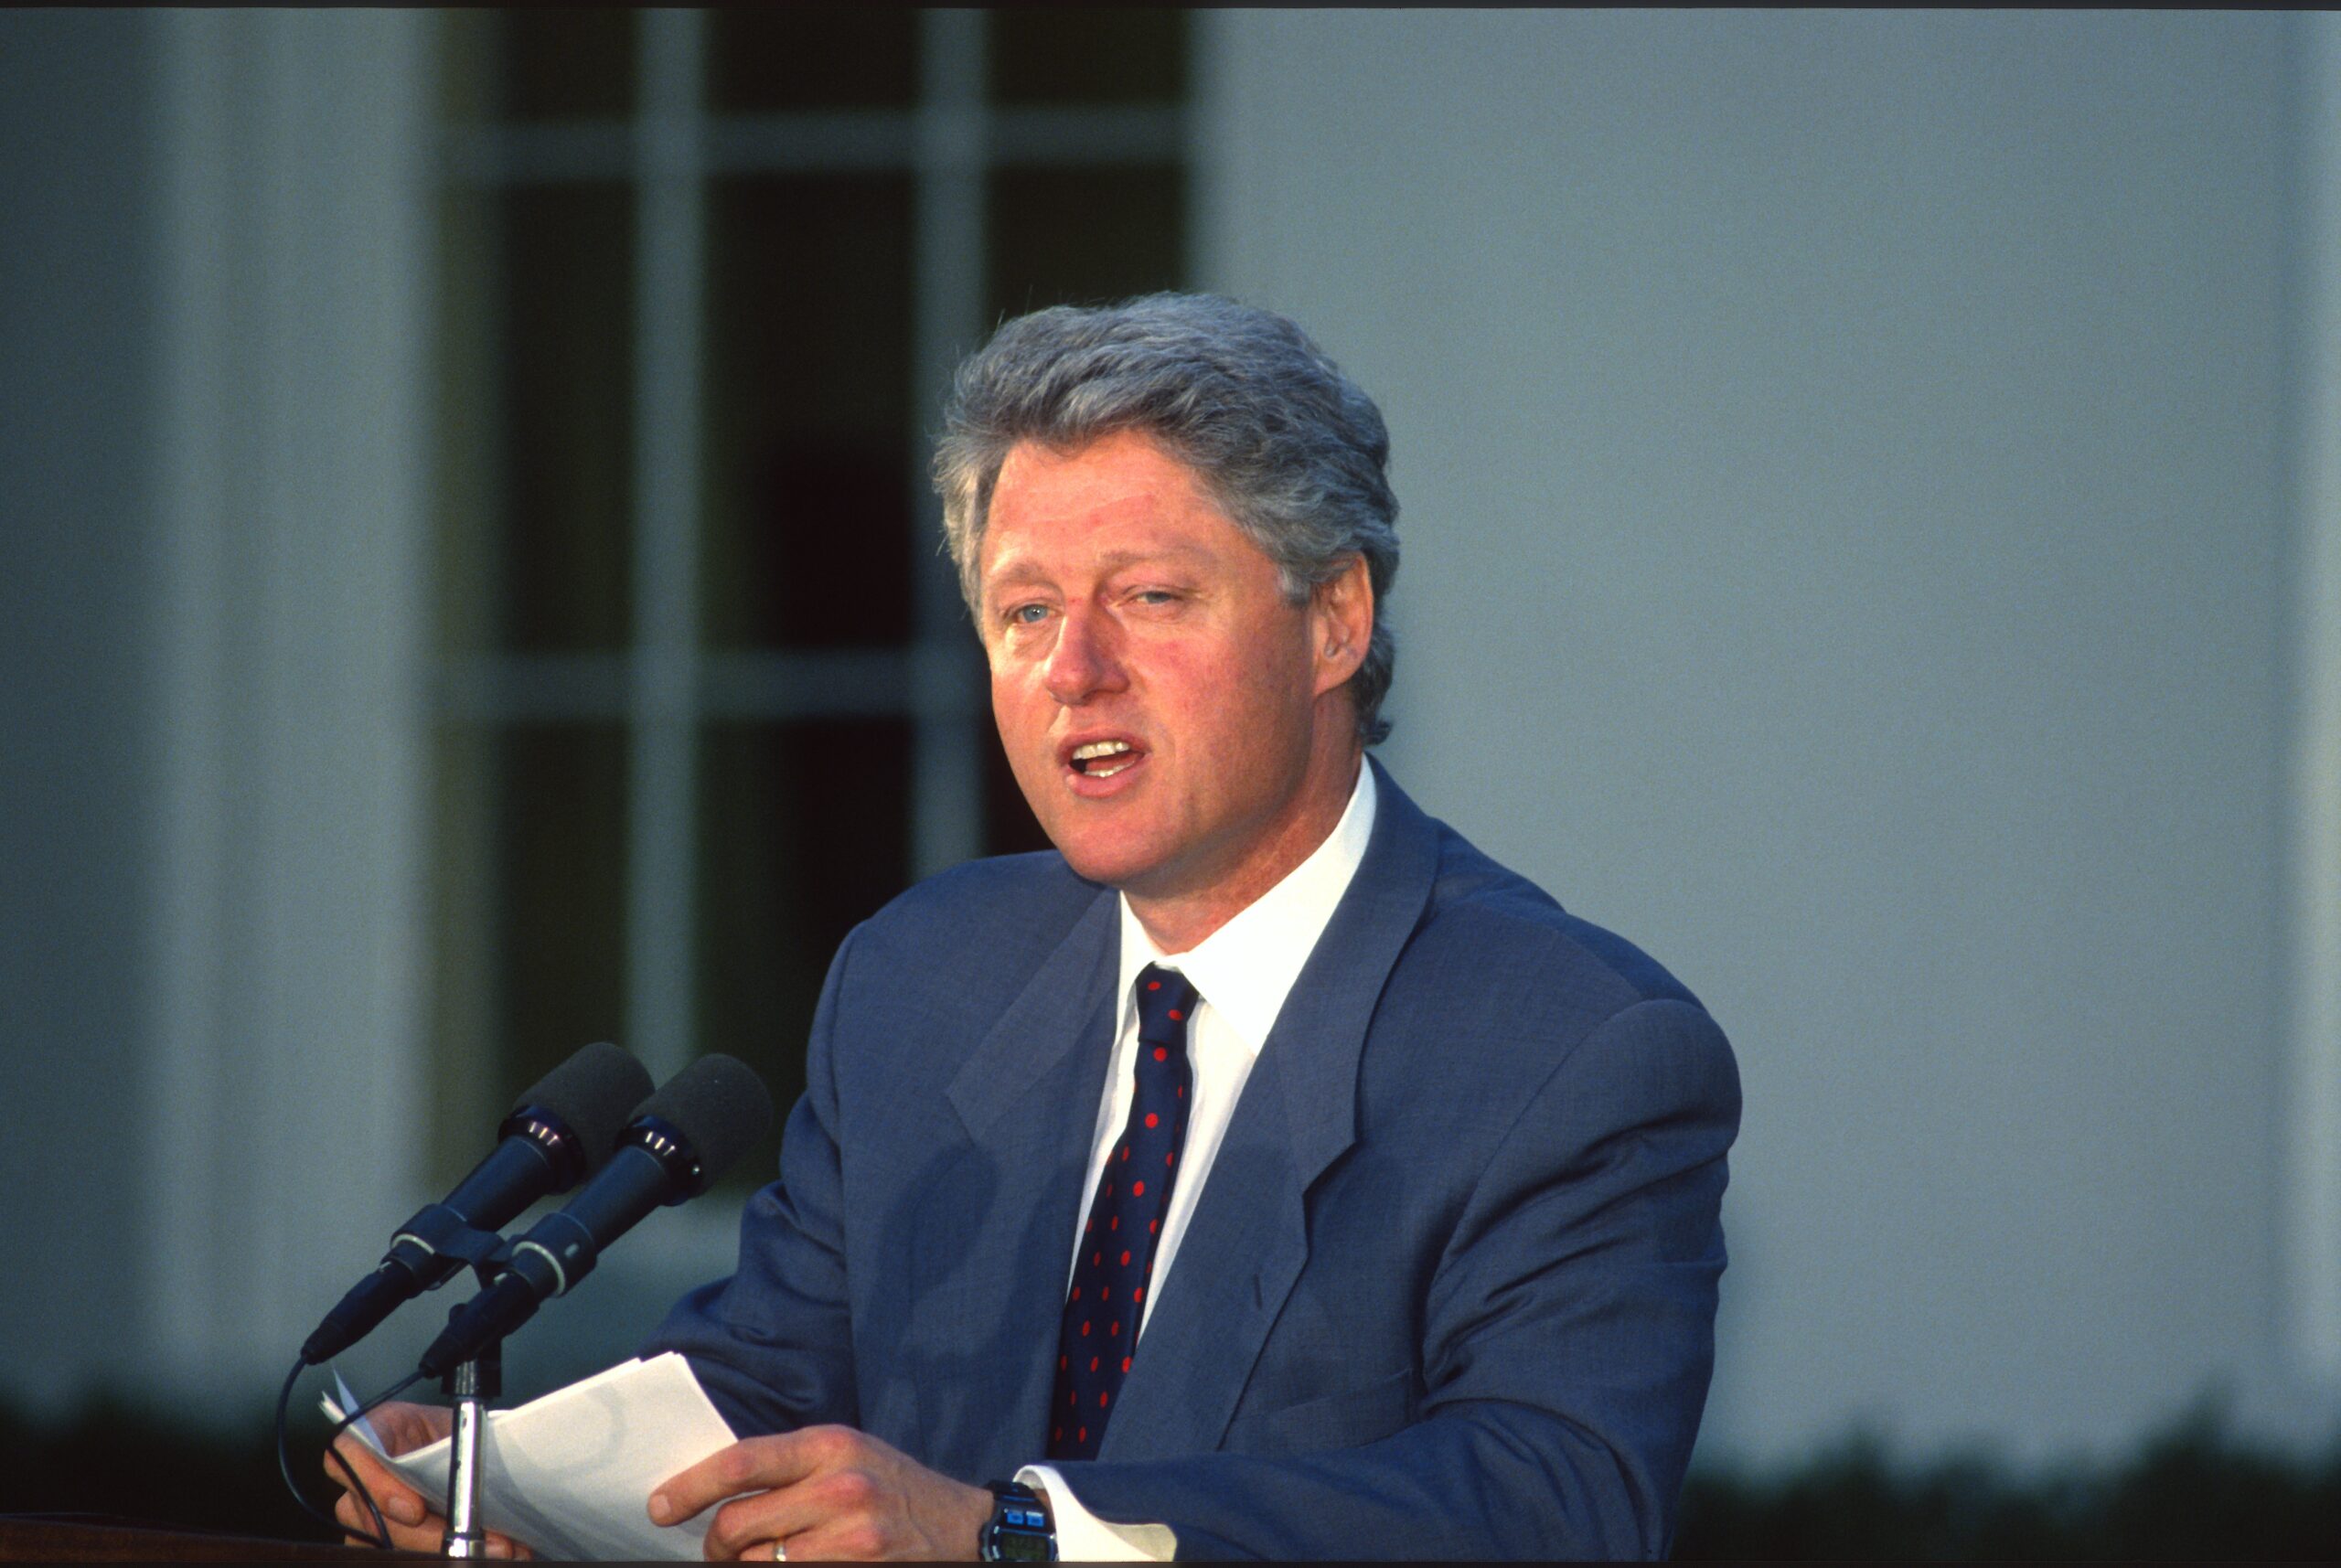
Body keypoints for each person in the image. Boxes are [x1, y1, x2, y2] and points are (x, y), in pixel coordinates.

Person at [330, 293, 1740, 1561]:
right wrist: (503, 1481)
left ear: (1335, 623)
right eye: (1025, 612)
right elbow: (769, 1387)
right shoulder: (920, 978)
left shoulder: (1576, 1051)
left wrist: (1015, 1542)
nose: (1075, 671)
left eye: (1149, 597)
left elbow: (1555, 1503)